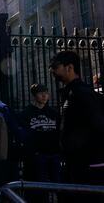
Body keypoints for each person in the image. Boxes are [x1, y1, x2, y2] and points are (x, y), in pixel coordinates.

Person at [49, 51, 104, 202]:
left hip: (86, 167)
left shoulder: (81, 93)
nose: (52, 71)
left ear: (69, 67)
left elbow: (98, 126)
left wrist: (85, 157)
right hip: (75, 165)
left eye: (55, 66)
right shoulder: (72, 93)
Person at [19, 83, 60, 202]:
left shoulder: (53, 113)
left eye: (46, 93)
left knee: (57, 185)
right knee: (39, 189)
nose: (44, 96)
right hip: (36, 156)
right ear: (34, 95)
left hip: (53, 154)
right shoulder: (26, 113)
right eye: (41, 93)